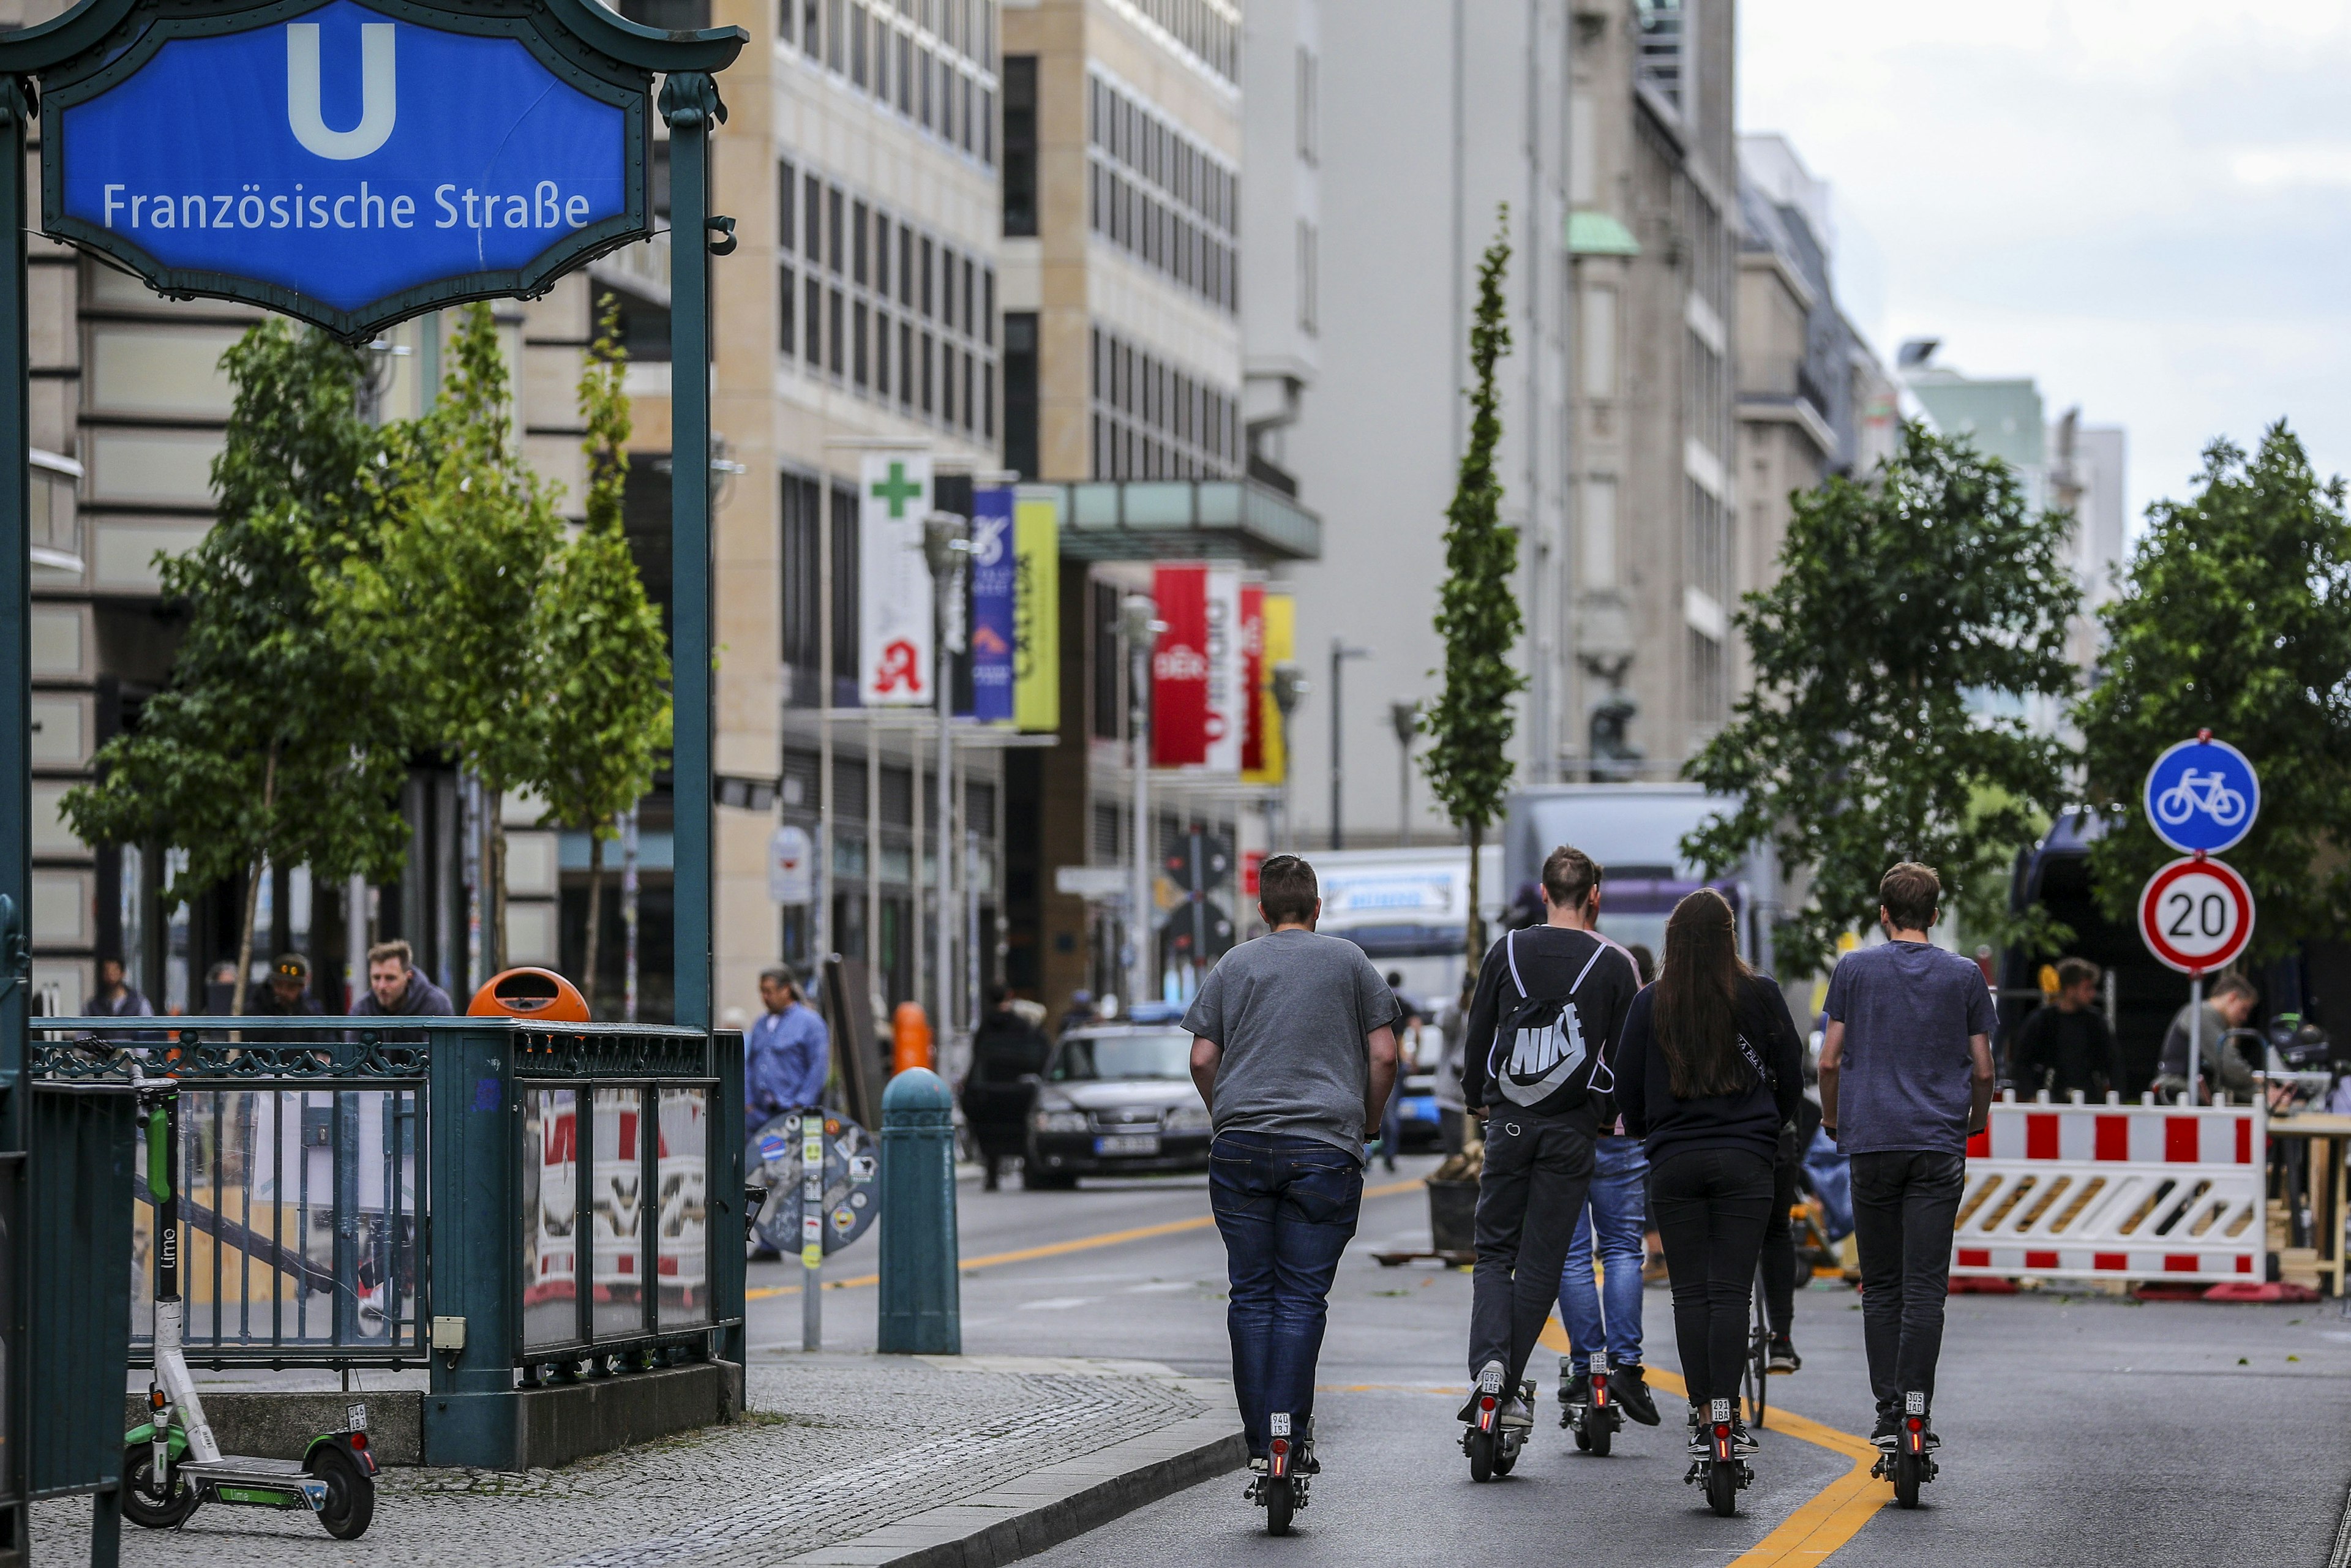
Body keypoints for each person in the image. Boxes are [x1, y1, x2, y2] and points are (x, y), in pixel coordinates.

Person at [1183, 853, 1400, 1483]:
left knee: (1251, 1294)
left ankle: (1260, 1443)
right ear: (1317, 907)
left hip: (1241, 1145)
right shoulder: (1350, 962)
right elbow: (1383, 1054)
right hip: (1325, 1149)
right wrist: (1368, 1124)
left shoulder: (1234, 964)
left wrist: (1225, 1112)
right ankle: (1290, 1436)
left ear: (1261, 910)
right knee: (1302, 1296)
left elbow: (1202, 1057)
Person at [1613, 888, 1804, 1454]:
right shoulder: (1761, 995)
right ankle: (1729, 1412)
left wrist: (1654, 1131)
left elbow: (1626, 1087)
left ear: (1673, 939)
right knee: (1730, 1291)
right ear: (1730, 938)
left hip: (1674, 1162)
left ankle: (1704, 1417)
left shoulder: (1651, 1002)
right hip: (1747, 1159)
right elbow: (1790, 1077)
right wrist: (1766, 1126)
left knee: (1690, 1294)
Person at [1457, 846, 1641, 1431]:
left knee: (1494, 1253)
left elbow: (1478, 1031)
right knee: (1543, 1261)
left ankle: (1489, 1368)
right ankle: (1505, 1378)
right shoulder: (1611, 963)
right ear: (1594, 897)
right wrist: (1605, 1114)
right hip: (1571, 1132)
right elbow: (1625, 1055)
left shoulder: (1505, 950)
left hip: (1509, 1122)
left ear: (1542, 893)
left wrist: (1477, 1097)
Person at [1818, 862, 1995, 1451]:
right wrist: (1975, 1119)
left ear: (1884, 913)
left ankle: (1889, 1408)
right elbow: (1984, 1067)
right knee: (1926, 1285)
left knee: (1882, 1284)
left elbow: (1828, 1059)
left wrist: (1834, 1117)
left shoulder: (1854, 970)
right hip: (1937, 1144)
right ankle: (1919, 1407)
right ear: (1937, 913)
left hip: (1871, 1140)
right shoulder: (1965, 975)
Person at [1553, 928, 1663, 1429]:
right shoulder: (1620, 963)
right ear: (1594, 897)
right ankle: (1623, 1365)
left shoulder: (1536, 958)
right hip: (1618, 1127)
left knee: (1573, 1252)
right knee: (1622, 1247)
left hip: (1562, 1125)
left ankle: (1586, 1367)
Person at [964, 985, 1052, 1189]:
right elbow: (1036, 1059)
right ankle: (1028, 1176)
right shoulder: (1022, 1027)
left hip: (989, 1093)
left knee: (990, 1140)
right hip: (1019, 1093)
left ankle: (992, 1176)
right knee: (1023, 1138)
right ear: (1010, 997)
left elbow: (977, 1058)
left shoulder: (984, 1027)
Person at [2011, 958, 2124, 1099]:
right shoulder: (2042, 1021)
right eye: (2087, 988)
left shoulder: (2095, 1022)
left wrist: (2116, 1097)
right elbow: (2021, 1063)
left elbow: (2114, 1062)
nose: (2093, 994)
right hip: (2049, 1097)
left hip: (2090, 1098)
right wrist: (2032, 1095)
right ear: (2070, 989)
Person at [2154, 973, 2259, 1101]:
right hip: (2178, 1095)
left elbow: (2225, 1074)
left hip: (2181, 1095)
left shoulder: (2202, 1014)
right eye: (2244, 1009)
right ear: (2233, 997)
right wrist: (2258, 1085)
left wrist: (2257, 1090)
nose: (2245, 1018)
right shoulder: (2202, 1014)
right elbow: (2228, 1065)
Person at [747, 967, 830, 1127]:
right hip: (759, 1115)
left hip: (792, 1113)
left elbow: (818, 1066)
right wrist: (748, 1103)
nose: (765, 997)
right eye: (762, 992)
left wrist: (801, 1104)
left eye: (769, 991)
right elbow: (749, 1063)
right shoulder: (761, 1024)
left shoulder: (810, 1023)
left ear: (786, 990)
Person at [1376, 973, 1423, 1171]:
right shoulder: (1405, 1003)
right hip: (1398, 1060)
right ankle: (1390, 1153)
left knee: (1375, 1109)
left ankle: (1369, 1152)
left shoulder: (1379, 1001)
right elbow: (1418, 1031)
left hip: (1374, 1061)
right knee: (1392, 1111)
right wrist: (1414, 1058)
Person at [350, 939, 456, 1016]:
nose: (382, 986)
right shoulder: (362, 1010)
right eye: (376, 978)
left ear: (409, 976)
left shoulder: (436, 1005)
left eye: (390, 978)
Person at [1433, 971, 1474, 1155]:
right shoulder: (1458, 1012)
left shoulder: (1488, 1010)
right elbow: (1443, 1022)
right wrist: (1463, 998)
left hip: (1479, 1100)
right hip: (1452, 1097)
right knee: (1456, 1153)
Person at [246, 953, 324, 1016]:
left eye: (291, 987)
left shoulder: (311, 1012)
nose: (283, 992)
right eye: (279, 985)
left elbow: (325, 1034)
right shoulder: (254, 1013)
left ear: (302, 987)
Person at [84, 955, 154, 1019]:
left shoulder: (139, 1003)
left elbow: (148, 1030)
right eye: (107, 971)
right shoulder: (93, 1006)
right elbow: (84, 1031)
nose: (111, 975)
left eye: (115, 971)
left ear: (122, 973)